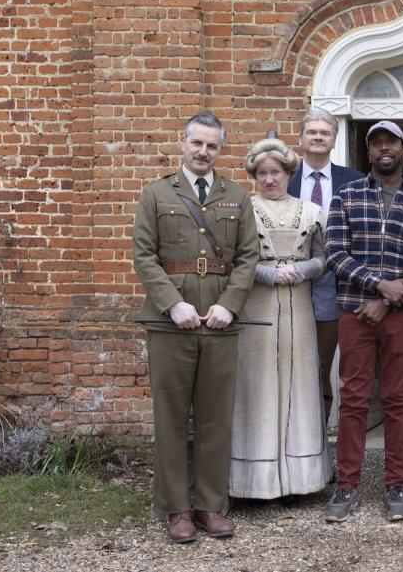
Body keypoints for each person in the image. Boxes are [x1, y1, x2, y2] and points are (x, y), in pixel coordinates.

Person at [132, 111, 258, 543]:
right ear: (182, 143)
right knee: (170, 418)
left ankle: (209, 505)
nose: (204, 152)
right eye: (197, 143)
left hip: (220, 322)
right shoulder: (155, 193)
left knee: (215, 418)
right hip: (171, 323)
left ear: (221, 150)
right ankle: (176, 509)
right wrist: (173, 305)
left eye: (212, 146)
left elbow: (247, 258)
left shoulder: (237, 196)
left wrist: (230, 305)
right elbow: (144, 256)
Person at [323, 120, 403, 522]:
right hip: (354, 311)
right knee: (353, 399)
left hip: (402, 316)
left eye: (392, 142)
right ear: (368, 152)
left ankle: (396, 484)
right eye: (377, 144)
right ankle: (347, 485)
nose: (384, 149)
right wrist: (378, 286)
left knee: (397, 399)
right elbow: (335, 254)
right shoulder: (347, 196)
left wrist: (390, 301)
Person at [230, 138, 332, 499]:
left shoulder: (311, 211)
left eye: (275, 172)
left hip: (299, 307)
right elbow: (234, 260)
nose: (269, 179)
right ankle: (255, 482)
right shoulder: (243, 209)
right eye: (262, 173)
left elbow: (323, 258)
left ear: (289, 173)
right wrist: (268, 273)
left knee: (300, 382)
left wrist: (302, 269)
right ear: (254, 176)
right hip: (256, 307)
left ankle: (299, 480)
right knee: (257, 383)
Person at [287, 109, 364, 424]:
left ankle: (321, 430)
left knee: (326, 362)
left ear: (334, 139)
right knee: (295, 363)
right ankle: (297, 433)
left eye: (325, 132)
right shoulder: (283, 178)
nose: (318, 137)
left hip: (340, 283)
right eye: (312, 132)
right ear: (301, 138)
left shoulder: (355, 180)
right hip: (293, 281)